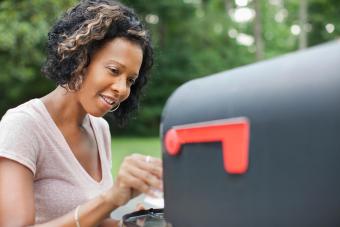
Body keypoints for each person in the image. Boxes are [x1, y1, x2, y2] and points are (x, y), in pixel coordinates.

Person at [0, 0, 163, 226]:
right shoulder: (23, 125)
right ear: (80, 59)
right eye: (114, 71)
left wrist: (130, 223)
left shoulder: (99, 128)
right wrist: (111, 198)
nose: (122, 88)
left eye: (130, 80)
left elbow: (94, 221)